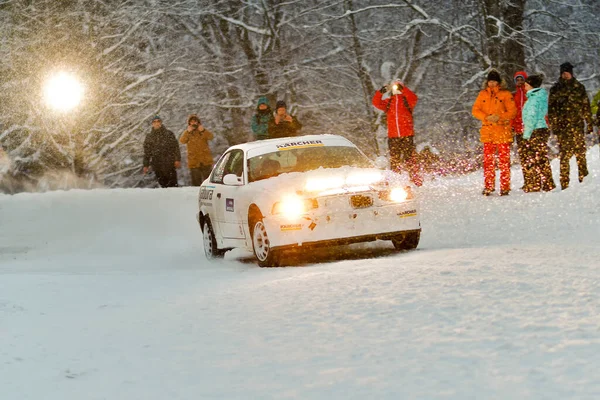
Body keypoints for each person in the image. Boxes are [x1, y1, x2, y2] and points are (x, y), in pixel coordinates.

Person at [548, 62, 593, 189]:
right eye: (563, 73)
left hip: (577, 125)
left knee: (580, 154)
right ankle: (564, 184)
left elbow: (586, 106)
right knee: (564, 156)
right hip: (563, 127)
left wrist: (589, 123)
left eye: (567, 73)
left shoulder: (579, 87)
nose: (565, 75)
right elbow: (551, 109)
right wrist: (554, 125)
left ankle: (584, 180)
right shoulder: (556, 88)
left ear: (571, 73)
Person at [472, 69, 517, 196]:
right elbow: (475, 110)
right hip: (488, 132)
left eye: (494, 82)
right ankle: (489, 186)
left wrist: (499, 117)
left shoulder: (506, 94)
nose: (492, 84)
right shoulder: (482, 94)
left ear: (499, 82)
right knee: (488, 162)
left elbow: (512, 112)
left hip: (502, 131)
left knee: (504, 162)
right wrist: (486, 117)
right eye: (490, 81)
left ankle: (505, 187)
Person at [372, 79, 422, 186]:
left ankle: (414, 178)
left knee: (410, 158)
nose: (396, 89)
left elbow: (414, 97)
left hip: (407, 134)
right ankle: (396, 179)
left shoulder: (407, 100)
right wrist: (381, 92)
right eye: (395, 87)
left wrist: (403, 89)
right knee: (395, 159)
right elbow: (376, 102)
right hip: (393, 136)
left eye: (398, 87)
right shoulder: (389, 102)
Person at [521, 74, 556, 192]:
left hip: (536, 130)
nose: (524, 87)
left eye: (526, 85)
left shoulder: (534, 99)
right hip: (541, 129)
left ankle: (540, 183)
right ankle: (545, 183)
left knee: (536, 158)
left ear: (531, 85)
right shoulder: (540, 96)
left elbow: (531, 118)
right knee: (540, 157)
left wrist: (526, 134)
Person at [143, 115, 181, 188]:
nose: (157, 123)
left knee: (173, 185)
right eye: (155, 122)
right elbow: (147, 152)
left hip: (169, 162)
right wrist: (146, 165)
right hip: (157, 164)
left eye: (158, 121)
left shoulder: (169, 134)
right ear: (152, 124)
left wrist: (177, 159)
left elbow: (175, 147)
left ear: (161, 122)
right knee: (163, 185)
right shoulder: (149, 136)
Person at [511, 70, 534, 190]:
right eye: (517, 80)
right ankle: (528, 181)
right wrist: (512, 126)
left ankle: (535, 180)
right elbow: (512, 112)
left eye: (521, 79)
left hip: (530, 128)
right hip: (519, 129)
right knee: (524, 156)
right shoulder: (514, 95)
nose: (520, 82)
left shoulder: (529, 92)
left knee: (532, 154)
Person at [179, 114, 214, 186]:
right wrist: (187, 132)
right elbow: (182, 141)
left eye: (195, 121)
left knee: (208, 182)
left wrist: (203, 130)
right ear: (189, 123)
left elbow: (211, 137)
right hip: (194, 161)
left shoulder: (202, 131)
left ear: (198, 122)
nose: (193, 123)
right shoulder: (188, 133)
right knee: (196, 183)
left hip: (205, 160)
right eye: (191, 122)